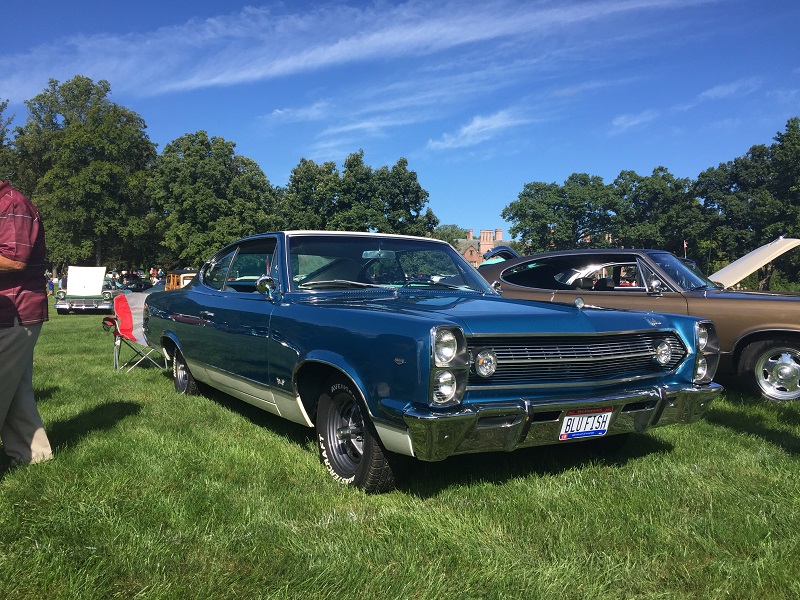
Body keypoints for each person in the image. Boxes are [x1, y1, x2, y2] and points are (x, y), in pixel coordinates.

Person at [0, 180, 53, 466]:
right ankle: (33, 455)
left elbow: (14, 260)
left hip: (16, 313)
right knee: (17, 390)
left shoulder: (11, 204)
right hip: (9, 312)